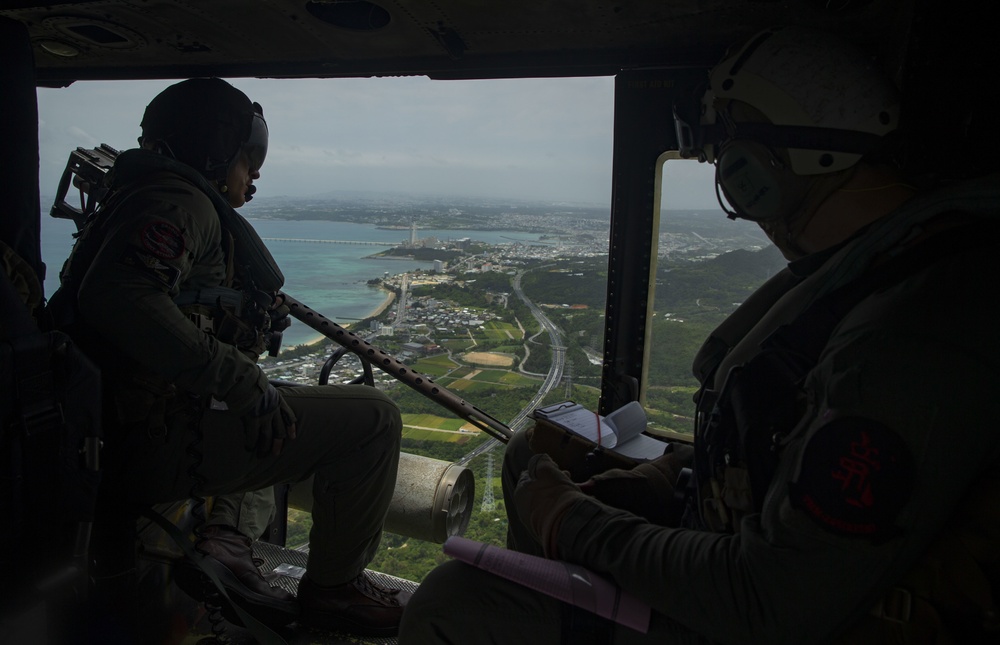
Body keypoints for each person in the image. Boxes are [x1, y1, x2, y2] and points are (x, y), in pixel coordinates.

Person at [399, 27, 1000, 644]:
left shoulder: (912, 334)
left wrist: (571, 520)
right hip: (747, 553)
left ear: (780, 160)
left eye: (731, 146)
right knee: (535, 457)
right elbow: (777, 447)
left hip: (773, 616)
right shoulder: (873, 271)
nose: (725, 173)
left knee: (449, 603)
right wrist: (671, 475)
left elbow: (774, 602)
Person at [48, 77, 410, 637]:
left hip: (110, 433)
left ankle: (227, 539)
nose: (256, 172)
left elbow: (162, 316)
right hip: (141, 443)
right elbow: (121, 295)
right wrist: (241, 378)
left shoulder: (140, 198)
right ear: (216, 149)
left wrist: (241, 333)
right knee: (374, 419)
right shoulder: (179, 200)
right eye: (250, 156)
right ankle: (335, 592)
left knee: (271, 407)